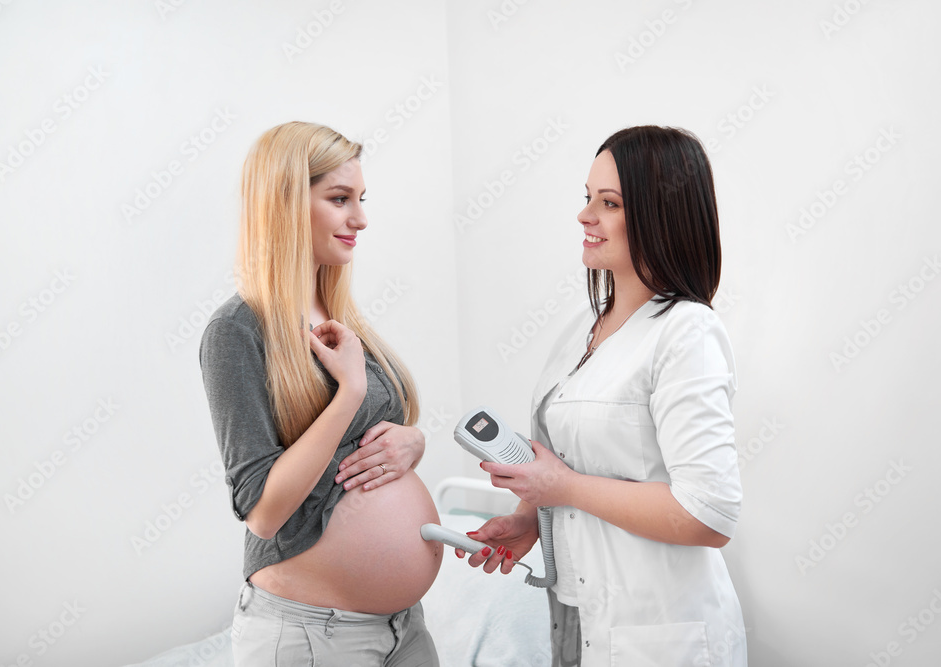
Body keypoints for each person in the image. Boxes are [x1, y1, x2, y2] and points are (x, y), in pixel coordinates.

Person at [459, 126, 747, 666]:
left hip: (656, 633)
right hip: (576, 616)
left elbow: (709, 513)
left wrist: (563, 488)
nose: (584, 215)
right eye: (588, 197)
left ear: (660, 214)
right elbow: (575, 464)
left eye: (609, 203)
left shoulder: (687, 332)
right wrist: (529, 518)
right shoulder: (583, 328)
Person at [199, 121, 442, 666]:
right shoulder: (237, 331)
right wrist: (349, 392)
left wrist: (412, 442)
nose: (360, 218)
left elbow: (367, 441)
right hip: (312, 634)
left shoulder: (337, 314)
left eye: (360, 199)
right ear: (286, 202)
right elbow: (262, 511)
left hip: (403, 626)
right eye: (339, 199)